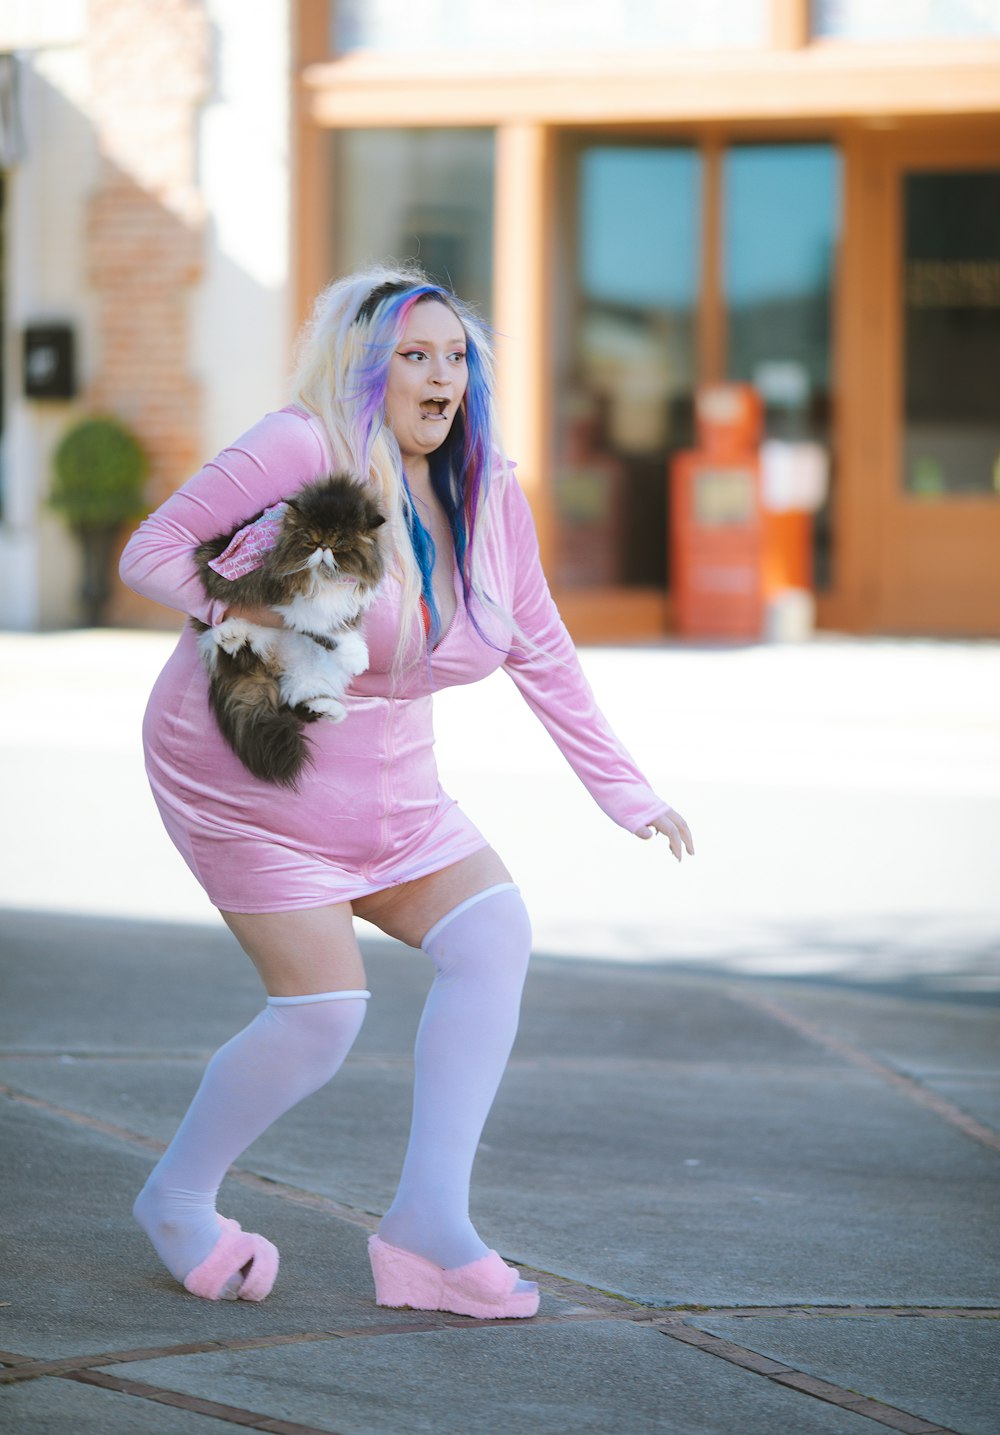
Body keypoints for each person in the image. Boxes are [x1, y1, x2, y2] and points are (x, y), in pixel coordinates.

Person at [119, 265, 694, 1319]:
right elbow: (149, 551)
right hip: (248, 773)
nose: (441, 378)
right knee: (323, 1015)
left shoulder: (486, 492)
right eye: (413, 357)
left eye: (456, 356)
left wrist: (626, 790)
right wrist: (252, 602)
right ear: (366, 371)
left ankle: (429, 1229)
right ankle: (178, 1199)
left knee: (492, 935)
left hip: (390, 786)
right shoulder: (305, 443)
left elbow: (541, 647)